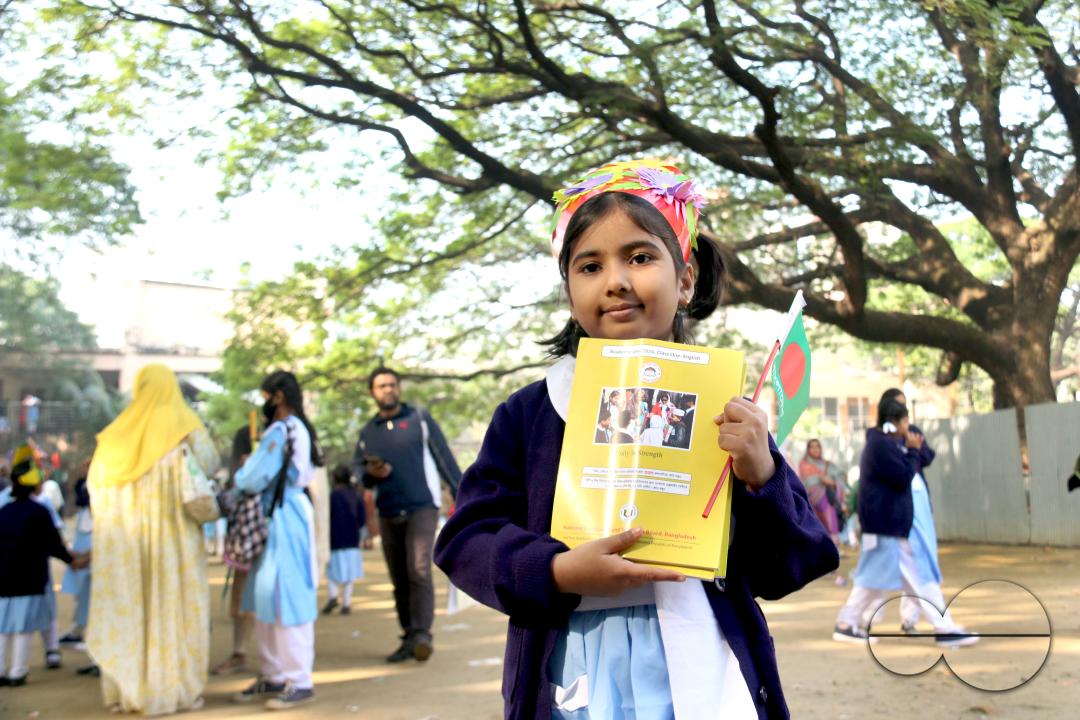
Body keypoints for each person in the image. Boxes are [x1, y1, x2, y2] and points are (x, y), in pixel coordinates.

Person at [434, 159, 838, 719]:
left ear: (687, 277)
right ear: (569, 289)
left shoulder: (731, 415)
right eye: (590, 266)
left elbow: (791, 565)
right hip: (572, 670)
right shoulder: (531, 413)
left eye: (641, 257)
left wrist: (760, 477)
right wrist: (553, 570)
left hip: (699, 656)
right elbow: (465, 540)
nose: (616, 280)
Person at [86, 364, 217, 714]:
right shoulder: (185, 426)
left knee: (131, 609)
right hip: (173, 545)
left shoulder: (115, 437)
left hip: (127, 550)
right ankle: (171, 692)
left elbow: (95, 490)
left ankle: (128, 694)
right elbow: (209, 464)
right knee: (171, 608)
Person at [353, 367, 462, 664]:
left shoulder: (419, 420)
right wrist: (372, 474)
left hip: (422, 507)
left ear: (398, 388)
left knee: (418, 569)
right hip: (388, 510)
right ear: (372, 393)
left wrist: (463, 494)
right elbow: (358, 472)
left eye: (392, 384)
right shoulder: (368, 432)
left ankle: (423, 634)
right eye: (381, 386)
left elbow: (444, 459)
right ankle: (408, 636)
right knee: (399, 578)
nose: (388, 389)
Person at [232, 371, 322, 709]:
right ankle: (273, 675)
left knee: (287, 596)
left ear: (278, 396)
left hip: (282, 516)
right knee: (267, 597)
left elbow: (253, 476)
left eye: (266, 395)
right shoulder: (296, 428)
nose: (264, 402)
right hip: (281, 514)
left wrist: (241, 474)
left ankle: (298, 679)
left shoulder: (280, 430)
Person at [877, 389, 972, 641]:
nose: (905, 420)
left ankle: (861, 620)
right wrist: (910, 449)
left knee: (907, 573)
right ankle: (943, 627)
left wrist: (915, 447)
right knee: (918, 571)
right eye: (899, 413)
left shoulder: (908, 437)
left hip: (913, 508)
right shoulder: (884, 442)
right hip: (902, 515)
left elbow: (926, 456)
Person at [0, 445, 89, 687]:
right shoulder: (39, 512)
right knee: (24, 627)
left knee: (4, 627)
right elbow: (54, 545)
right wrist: (74, 560)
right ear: (33, 483)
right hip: (30, 578)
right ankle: (17, 672)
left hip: (4, 578)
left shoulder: (4, 511)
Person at [211, 425, 257, 676]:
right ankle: (240, 652)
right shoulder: (242, 480)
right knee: (240, 604)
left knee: (246, 605)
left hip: (254, 544)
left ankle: (245, 653)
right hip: (244, 545)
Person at [322, 465, 366, 616]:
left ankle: (333, 595)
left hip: (335, 540)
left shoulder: (332, 497)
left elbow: (326, 518)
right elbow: (362, 518)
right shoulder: (356, 496)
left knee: (332, 572)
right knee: (350, 573)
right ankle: (346, 603)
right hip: (352, 540)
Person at [60, 461, 93, 648]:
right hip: (84, 545)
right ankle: (79, 629)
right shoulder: (82, 486)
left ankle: (83, 630)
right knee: (83, 590)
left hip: (92, 547)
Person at [798, 439, 843, 548]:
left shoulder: (827, 464)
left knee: (830, 516)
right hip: (810, 501)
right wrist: (820, 478)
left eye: (817, 446)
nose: (815, 449)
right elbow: (805, 482)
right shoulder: (804, 465)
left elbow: (840, 478)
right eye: (812, 447)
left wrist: (832, 482)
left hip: (828, 499)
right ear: (808, 449)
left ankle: (832, 544)